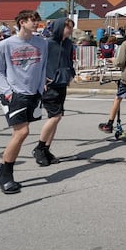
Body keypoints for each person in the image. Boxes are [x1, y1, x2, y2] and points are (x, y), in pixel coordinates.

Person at [0, 10, 49, 194]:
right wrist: (8, 92)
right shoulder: (5, 45)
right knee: (21, 132)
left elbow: (43, 67)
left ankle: (1, 175)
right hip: (14, 95)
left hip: (34, 94)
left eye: (37, 21)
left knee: (21, 133)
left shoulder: (42, 42)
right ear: (22, 22)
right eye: (33, 21)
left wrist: (40, 89)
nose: (36, 24)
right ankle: (6, 176)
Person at [33, 16, 76, 166]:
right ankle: (39, 148)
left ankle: (46, 149)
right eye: (67, 27)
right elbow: (40, 63)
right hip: (49, 85)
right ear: (59, 27)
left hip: (62, 82)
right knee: (55, 117)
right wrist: (42, 78)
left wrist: (71, 74)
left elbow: (69, 60)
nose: (70, 30)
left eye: (71, 27)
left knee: (57, 117)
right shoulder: (48, 43)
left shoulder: (69, 44)